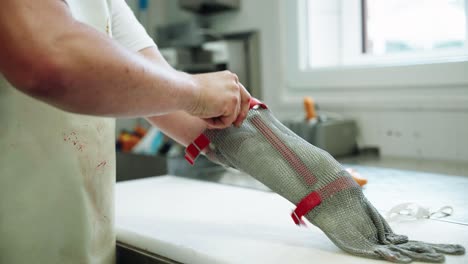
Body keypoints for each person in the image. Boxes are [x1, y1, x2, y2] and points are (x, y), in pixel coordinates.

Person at [0, 0, 250, 263]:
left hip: (83, 249)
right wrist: (195, 90)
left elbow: (170, 101)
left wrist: (291, 175)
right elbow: (50, 58)